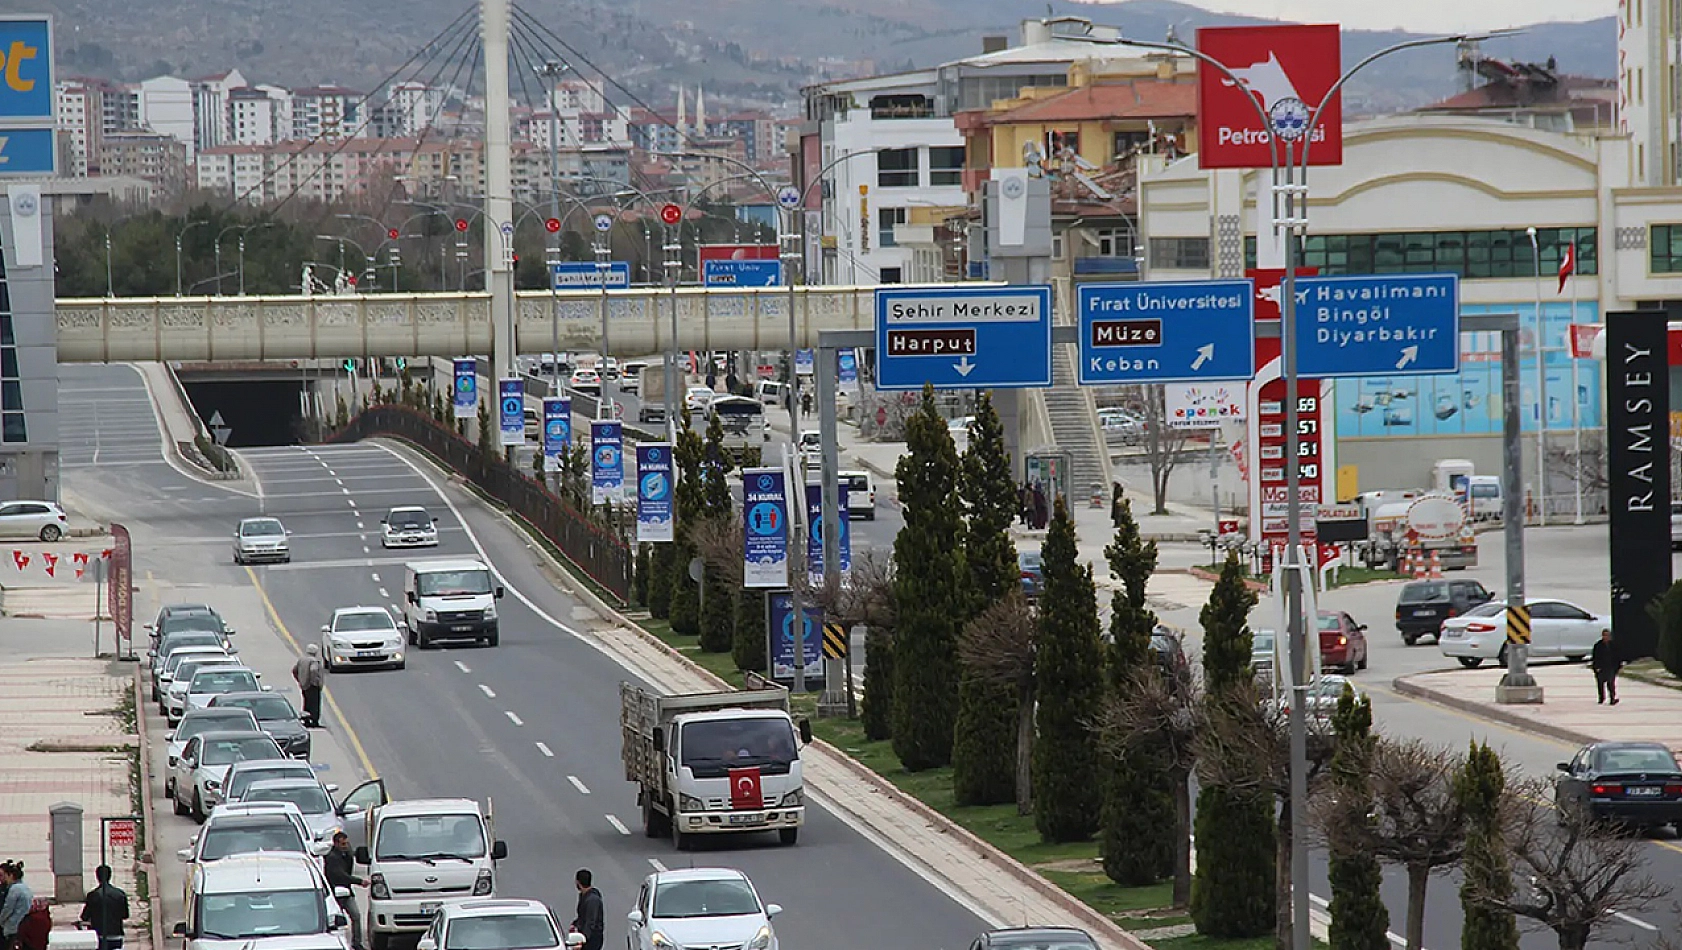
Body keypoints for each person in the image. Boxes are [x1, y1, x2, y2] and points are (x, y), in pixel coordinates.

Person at [322, 833, 365, 950]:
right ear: (336, 844)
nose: (346, 846)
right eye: (343, 844)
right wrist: (359, 881)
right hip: (336, 893)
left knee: (356, 916)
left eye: (346, 843)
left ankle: (357, 943)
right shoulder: (332, 858)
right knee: (335, 920)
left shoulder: (346, 855)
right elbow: (341, 875)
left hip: (347, 891)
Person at [80, 865, 128, 950]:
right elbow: (125, 915)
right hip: (116, 935)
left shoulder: (93, 895)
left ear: (97, 877)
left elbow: (84, 916)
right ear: (110, 876)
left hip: (99, 935)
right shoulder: (120, 894)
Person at [0, 861, 32, 949]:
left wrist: (1, 920)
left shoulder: (14, 890)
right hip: (24, 925)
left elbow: (8, 908)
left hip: (13, 926)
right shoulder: (25, 888)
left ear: (11, 876)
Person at [292, 644, 325, 727]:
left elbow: (294, 670)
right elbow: (313, 670)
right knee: (315, 704)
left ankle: (306, 720)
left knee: (306, 703)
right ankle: (314, 721)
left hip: (304, 685)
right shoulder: (313, 661)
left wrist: (299, 680)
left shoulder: (302, 660)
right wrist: (315, 682)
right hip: (312, 686)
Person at [571, 869, 604, 950]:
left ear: (578, 882)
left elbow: (590, 922)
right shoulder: (584, 896)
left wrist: (582, 940)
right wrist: (575, 924)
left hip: (592, 940)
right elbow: (582, 916)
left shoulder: (592, 900)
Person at [1591, 627, 1622, 705]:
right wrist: (1596, 667)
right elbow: (1595, 657)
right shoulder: (1598, 645)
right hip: (1601, 667)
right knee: (1600, 684)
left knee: (1611, 683)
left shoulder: (1614, 645)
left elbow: (1617, 657)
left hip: (1610, 667)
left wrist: (1617, 667)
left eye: (1607, 635)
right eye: (1604, 635)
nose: (1606, 637)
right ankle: (1601, 698)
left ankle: (1612, 698)